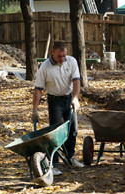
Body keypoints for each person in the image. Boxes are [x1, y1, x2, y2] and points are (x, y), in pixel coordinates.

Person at [32, 41, 84, 176]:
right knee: (54, 133)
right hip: (55, 101)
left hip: (69, 99)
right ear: (52, 53)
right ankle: (53, 164)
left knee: (73, 129)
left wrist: (75, 98)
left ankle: (70, 157)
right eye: (59, 56)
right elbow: (38, 89)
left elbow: (76, 80)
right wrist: (34, 109)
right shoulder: (44, 67)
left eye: (64, 56)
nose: (62, 59)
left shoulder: (71, 61)